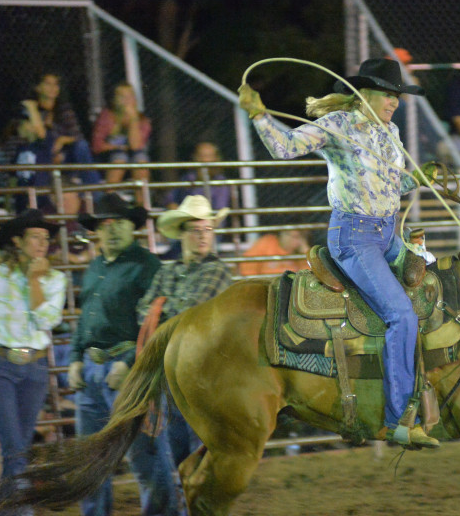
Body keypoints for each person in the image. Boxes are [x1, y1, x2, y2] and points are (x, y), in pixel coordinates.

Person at [238, 57, 439, 448]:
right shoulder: (337, 127)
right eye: (387, 94)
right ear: (364, 93)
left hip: (386, 235)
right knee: (399, 314)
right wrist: (259, 115)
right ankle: (397, 419)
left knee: (432, 284)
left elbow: (390, 186)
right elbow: (285, 147)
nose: (394, 101)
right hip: (354, 237)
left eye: (397, 95)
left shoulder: (391, 132)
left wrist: (417, 179)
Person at [68, 193, 180, 516]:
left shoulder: (147, 266)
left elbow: (158, 324)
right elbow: (86, 317)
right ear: (97, 232)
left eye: (120, 224)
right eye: (106, 225)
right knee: (92, 460)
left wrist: (129, 360)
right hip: (92, 370)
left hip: (129, 373)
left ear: (132, 228)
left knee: (144, 456)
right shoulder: (94, 267)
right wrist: (75, 356)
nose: (113, 230)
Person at [0, 209, 66, 513]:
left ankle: (7, 511)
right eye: (36, 236)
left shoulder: (54, 279)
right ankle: (21, 511)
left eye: (46, 238)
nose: (43, 243)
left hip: (32, 368)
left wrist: (33, 280)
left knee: (17, 449)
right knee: (15, 448)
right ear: (17, 241)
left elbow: (49, 319)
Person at [137, 195, 231, 466]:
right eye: (195, 230)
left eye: (207, 230)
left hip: (203, 376)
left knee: (198, 449)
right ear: (182, 235)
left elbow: (188, 315)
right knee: (179, 449)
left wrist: (160, 306)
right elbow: (142, 310)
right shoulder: (167, 272)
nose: (203, 236)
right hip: (172, 374)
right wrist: (162, 310)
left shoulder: (217, 271)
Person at [1, 72, 100, 211]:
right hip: (38, 157)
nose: (53, 88)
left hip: (61, 156)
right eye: (47, 83)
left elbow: (77, 136)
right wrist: (33, 110)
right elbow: (35, 136)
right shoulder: (29, 109)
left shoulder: (63, 109)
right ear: (37, 87)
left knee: (82, 146)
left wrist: (61, 140)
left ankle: (96, 197)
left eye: (55, 84)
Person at [91, 82, 152, 186]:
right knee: (120, 157)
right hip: (108, 155)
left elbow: (135, 146)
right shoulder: (107, 116)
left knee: (141, 159)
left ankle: (142, 201)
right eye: (122, 96)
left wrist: (133, 120)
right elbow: (97, 146)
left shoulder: (142, 120)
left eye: (130, 96)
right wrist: (116, 146)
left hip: (132, 154)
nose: (127, 100)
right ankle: (110, 196)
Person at [167, 142, 232, 211]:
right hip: (188, 218)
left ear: (216, 158)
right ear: (195, 157)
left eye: (209, 156)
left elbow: (220, 209)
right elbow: (170, 199)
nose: (204, 160)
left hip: (209, 219)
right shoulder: (188, 177)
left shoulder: (220, 182)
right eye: (201, 156)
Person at [238, 229, 311, 276]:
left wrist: (306, 252)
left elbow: (309, 277)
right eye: (291, 236)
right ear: (282, 234)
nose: (293, 240)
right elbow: (247, 267)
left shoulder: (300, 254)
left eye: (298, 237)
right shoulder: (267, 243)